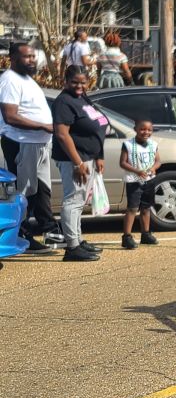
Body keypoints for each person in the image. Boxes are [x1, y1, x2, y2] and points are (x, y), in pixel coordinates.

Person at [0, 43, 58, 254]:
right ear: (13, 58)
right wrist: (43, 125)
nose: (32, 60)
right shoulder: (9, 80)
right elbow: (10, 116)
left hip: (40, 143)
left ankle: (52, 234)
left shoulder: (26, 79)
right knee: (24, 192)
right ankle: (22, 234)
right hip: (21, 142)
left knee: (42, 191)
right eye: (27, 57)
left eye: (34, 56)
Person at [52, 65, 109, 261]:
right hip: (74, 160)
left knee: (80, 201)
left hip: (88, 157)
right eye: (74, 82)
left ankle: (78, 239)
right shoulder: (63, 102)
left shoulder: (82, 97)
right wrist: (77, 162)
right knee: (73, 200)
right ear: (65, 81)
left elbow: (98, 126)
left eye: (82, 82)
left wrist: (99, 155)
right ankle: (72, 247)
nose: (79, 86)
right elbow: (62, 134)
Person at [119, 120, 160, 250]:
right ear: (135, 129)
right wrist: (137, 171)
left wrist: (154, 168)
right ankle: (127, 236)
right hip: (134, 181)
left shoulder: (153, 145)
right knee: (132, 208)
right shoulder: (128, 145)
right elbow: (123, 162)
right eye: (142, 129)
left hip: (149, 180)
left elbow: (158, 161)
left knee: (146, 208)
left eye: (149, 130)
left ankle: (146, 234)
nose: (146, 132)